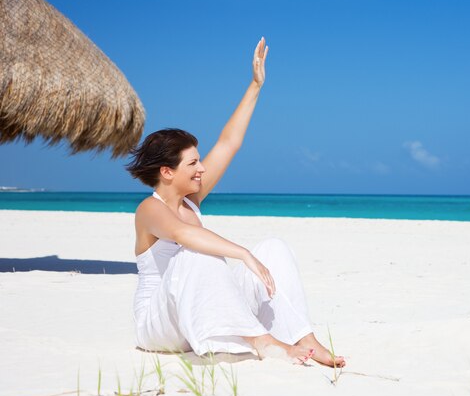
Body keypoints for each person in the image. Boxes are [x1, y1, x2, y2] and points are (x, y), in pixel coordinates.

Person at [125, 37, 345, 367]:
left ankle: (304, 336)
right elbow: (184, 236)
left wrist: (256, 85)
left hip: (202, 307)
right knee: (198, 255)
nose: (202, 169)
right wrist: (243, 254)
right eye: (193, 164)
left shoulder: (192, 199)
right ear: (167, 172)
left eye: (200, 161)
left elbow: (229, 142)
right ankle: (264, 341)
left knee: (272, 248)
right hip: (159, 324)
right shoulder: (149, 209)